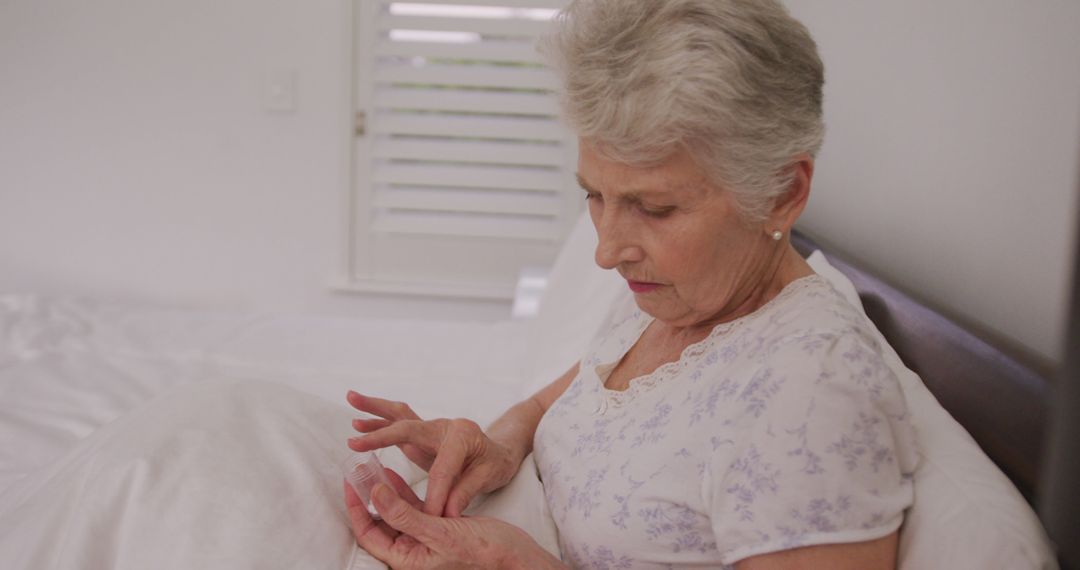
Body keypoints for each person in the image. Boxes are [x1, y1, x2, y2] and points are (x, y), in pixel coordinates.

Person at [342, 0, 920, 568]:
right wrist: (497, 446)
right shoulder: (679, 298)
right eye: (594, 195)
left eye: (655, 207)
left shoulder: (810, 392)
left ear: (782, 194)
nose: (606, 252)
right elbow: (556, 400)